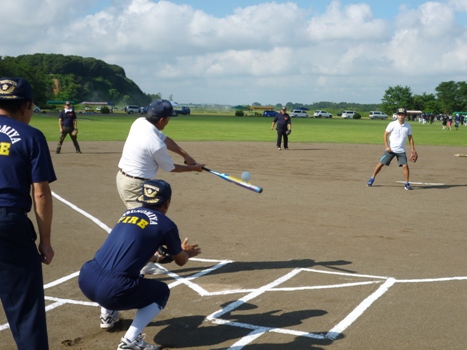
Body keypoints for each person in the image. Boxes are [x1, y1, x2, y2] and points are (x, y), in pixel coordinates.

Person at [79, 179, 201, 350]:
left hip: (86, 277)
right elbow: (181, 260)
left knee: (125, 269)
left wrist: (156, 258)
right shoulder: (166, 225)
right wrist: (186, 251)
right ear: (167, 202)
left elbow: (130, 252)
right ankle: (130, 341)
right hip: (113, 290)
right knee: (161, 292)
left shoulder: (127, 213)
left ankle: (107, 315)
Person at [0, 77, 57, 349]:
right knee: (26, 310)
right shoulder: (31, 136)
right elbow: (41, 193)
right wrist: (44, 241)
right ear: (25, 106)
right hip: (8, 222)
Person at [117, 99, 204, 209]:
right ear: (162, 120)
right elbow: (170, 167)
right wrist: (193, 168)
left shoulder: (140, 122)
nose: (169, 121)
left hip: (123, 178)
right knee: (145, 220)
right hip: (135, 186)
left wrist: (185, 155)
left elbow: (165, 139)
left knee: (140, 218)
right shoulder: (156, 145)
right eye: (169, 118)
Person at [366, 108, 416, 190]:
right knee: (381, 164)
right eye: (399, 115)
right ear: (397, 115)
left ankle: (407, 183)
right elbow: (385, 135)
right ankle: (372, 178)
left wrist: (413, 149)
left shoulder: (408, 126)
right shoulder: (392, 124)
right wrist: (386, 146)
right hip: (390, 150)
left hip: (401, 151)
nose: (400, 116)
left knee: (405, 166)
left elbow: (410, 138)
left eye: (402, 115)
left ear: (405, 116)